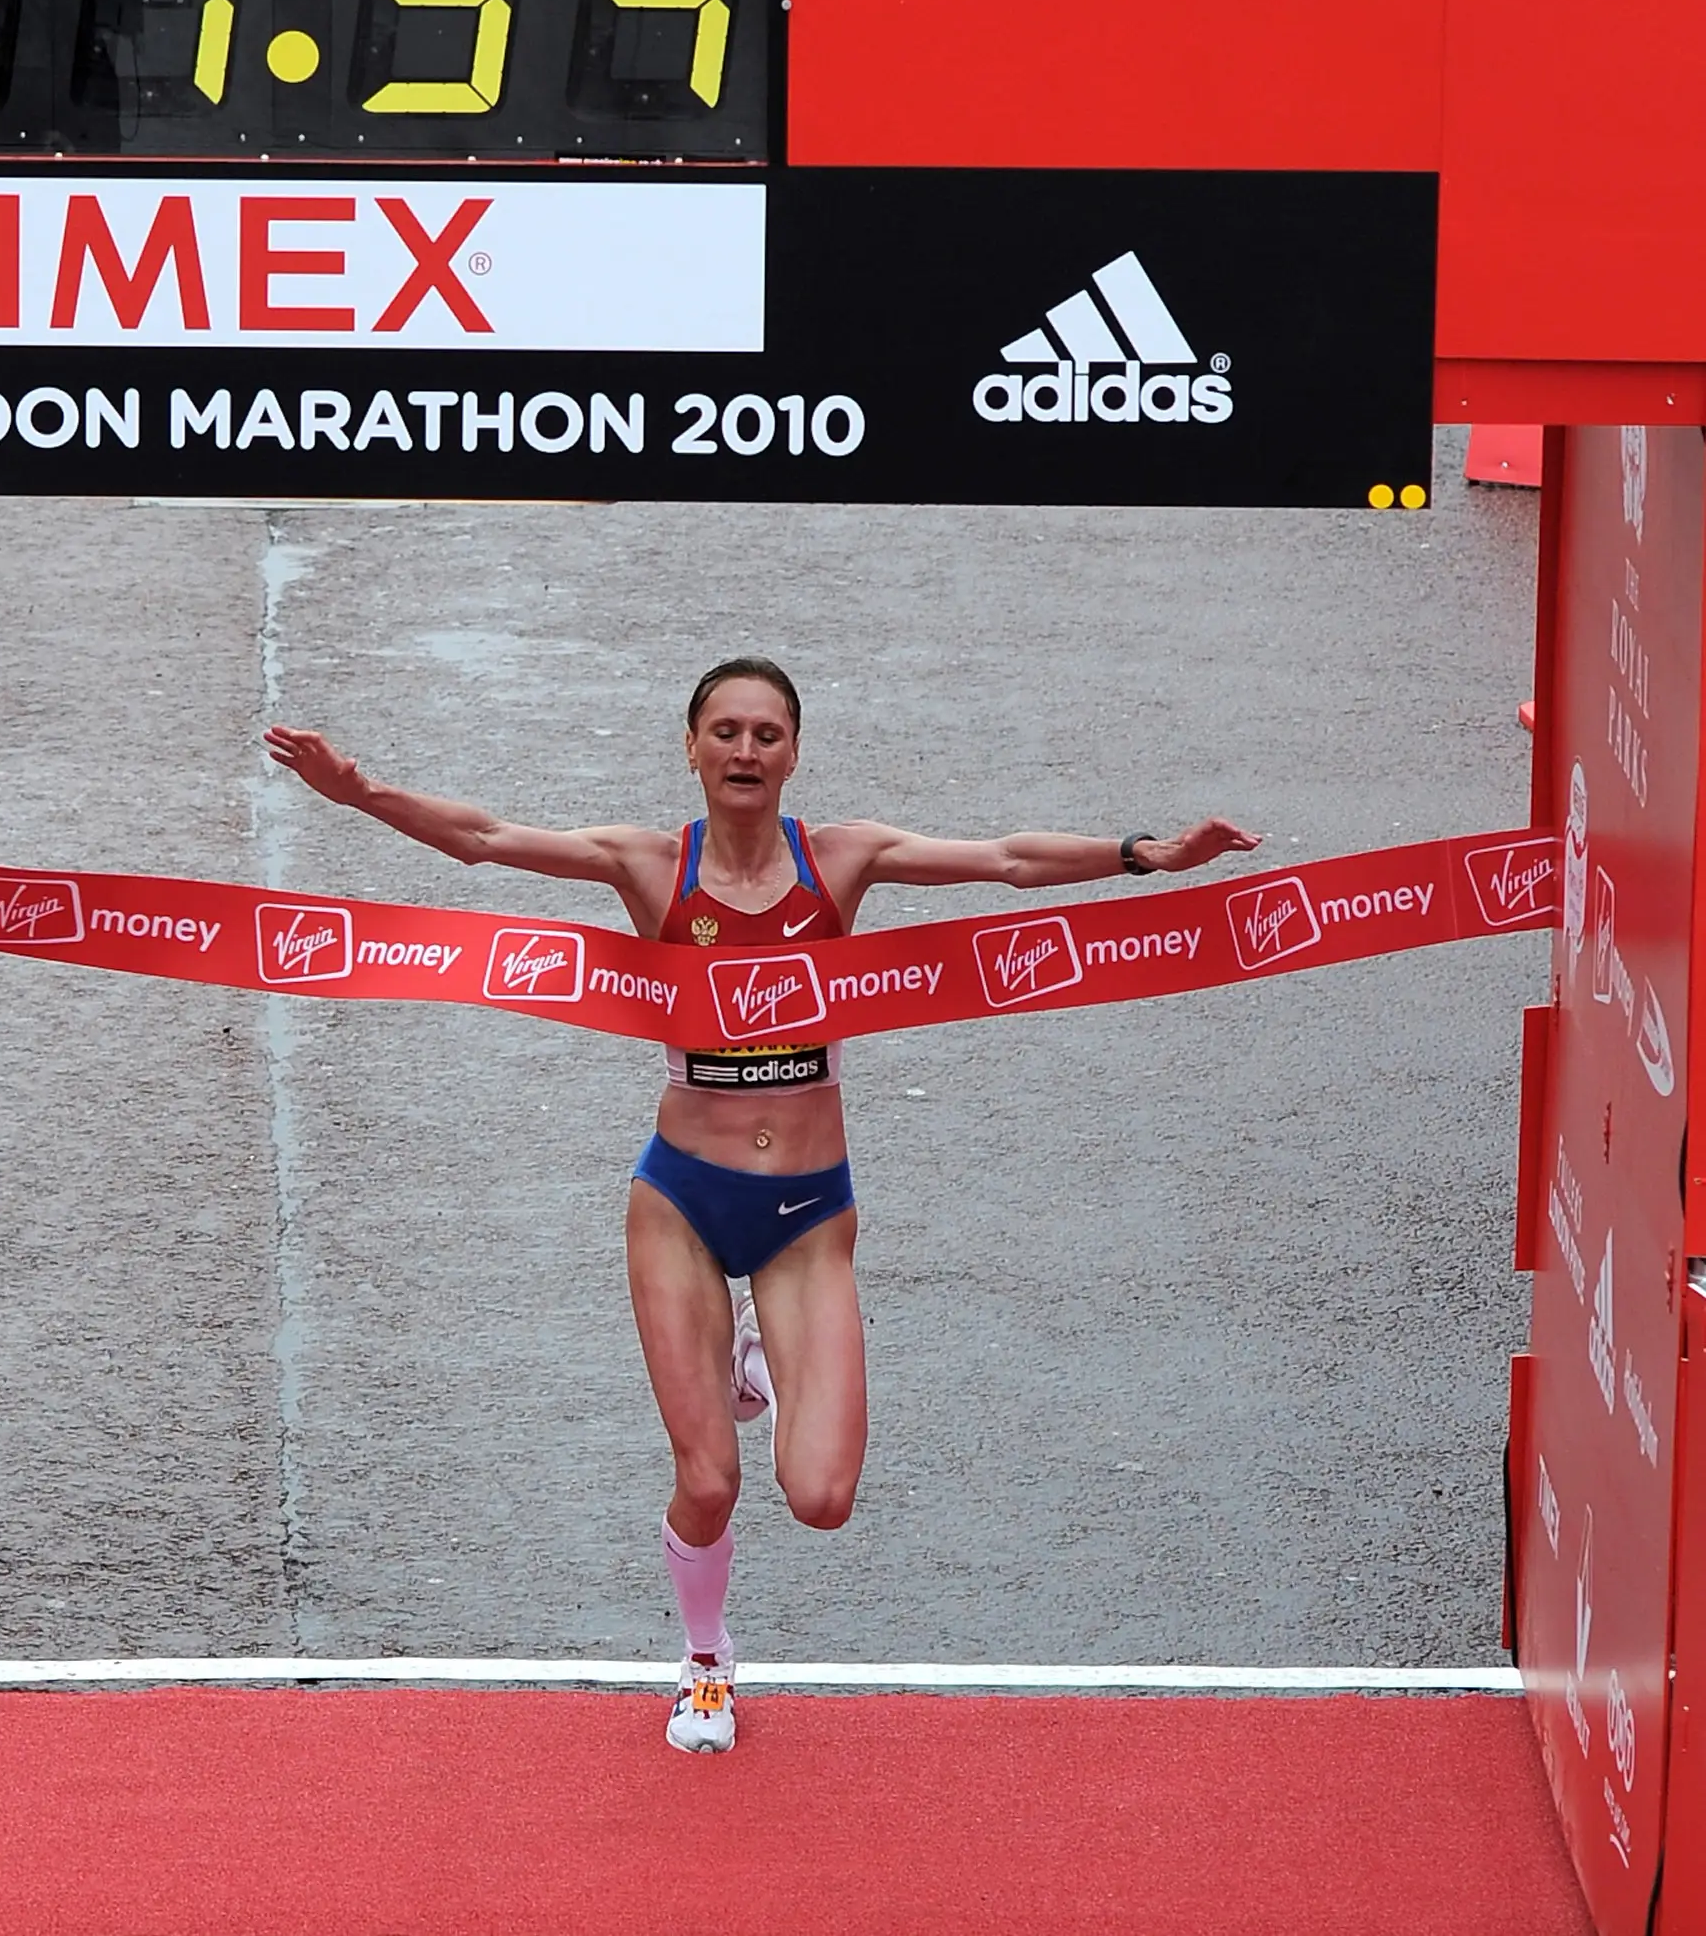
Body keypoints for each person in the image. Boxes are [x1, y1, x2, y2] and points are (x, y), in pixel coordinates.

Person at [264, 656, 1256, 1752]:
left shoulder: (843, 858)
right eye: (725, 731)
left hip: (807, 1216)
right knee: (708, 1475)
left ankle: (755, 1355)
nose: (745, 750)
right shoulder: (648, 863)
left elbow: (1010, 859)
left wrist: (1143, 853)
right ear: (689, 749)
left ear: (793, 753)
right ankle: (704, 1663)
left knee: (822, 1495)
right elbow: (487, 837)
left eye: (767, 733)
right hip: (681, 1201)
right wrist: (360, 793)